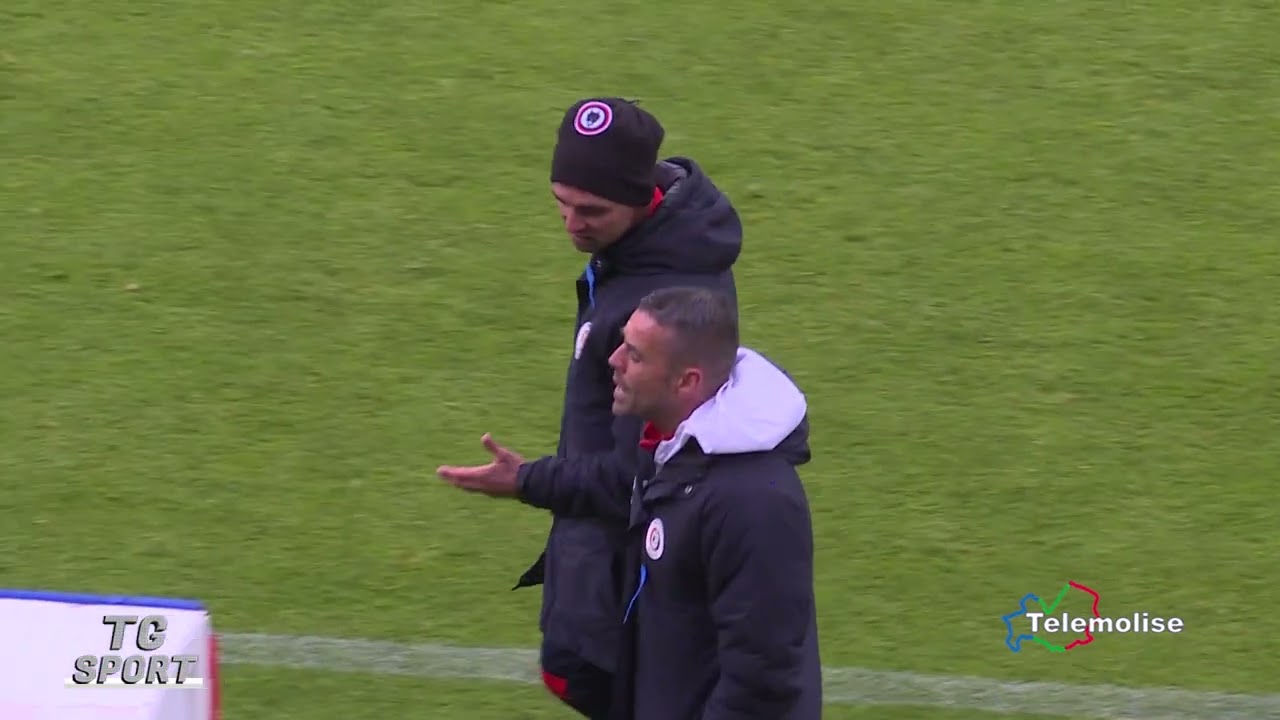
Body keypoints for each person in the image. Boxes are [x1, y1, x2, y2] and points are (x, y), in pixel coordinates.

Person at [436, 98, 744, 718]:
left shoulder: (660, 307)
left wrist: (526, 480)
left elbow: (636, 479)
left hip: (632, 593)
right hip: (614, 576)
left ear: (640, 198)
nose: (571, 224)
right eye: (561, 203)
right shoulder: (648, 253)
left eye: (592, 211)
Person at [440, 286, 823, 720]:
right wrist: (527, 479)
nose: (614, 360)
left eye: (635, 356)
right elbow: (615, 484)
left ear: (686, 381)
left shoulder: (754, 503)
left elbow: (763, 681)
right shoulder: (674, 449)